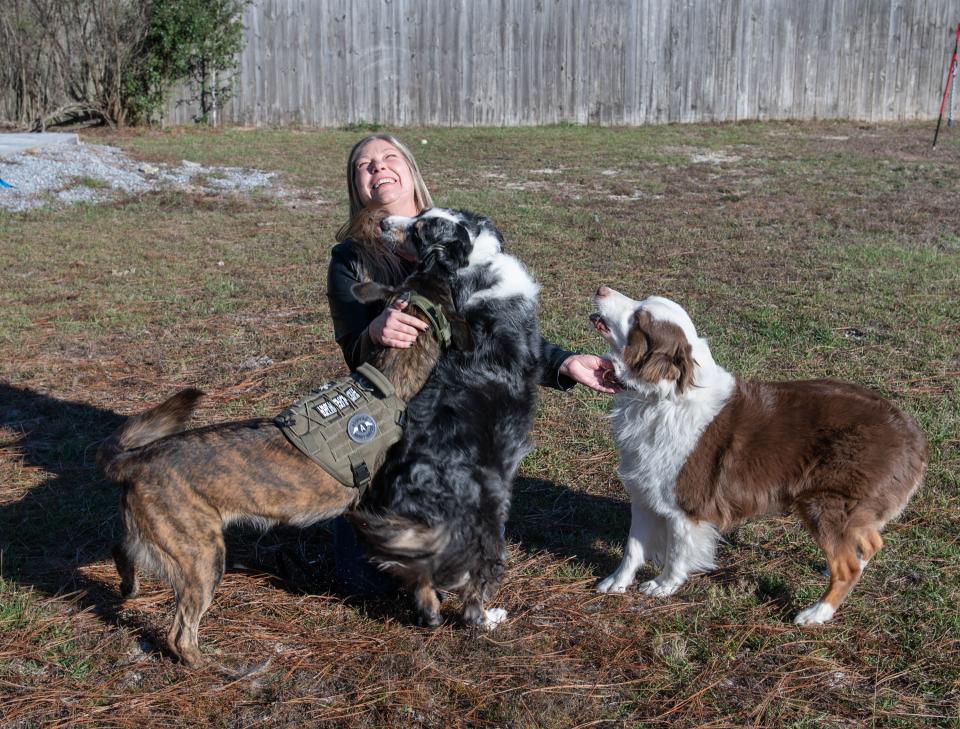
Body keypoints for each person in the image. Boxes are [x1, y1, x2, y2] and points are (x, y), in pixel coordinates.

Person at [326, 133, 616, 595]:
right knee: (364, 581)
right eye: (364, 165)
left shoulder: (459, 234)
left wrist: (563, 364)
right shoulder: (350, 259)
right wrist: (374, 333)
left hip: (458, 414)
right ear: (355, 186)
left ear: (410, 170)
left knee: (450, 570)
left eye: (388, 158)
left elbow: (499, 335)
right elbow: (353, 350)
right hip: (394, 405)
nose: (377, 168)